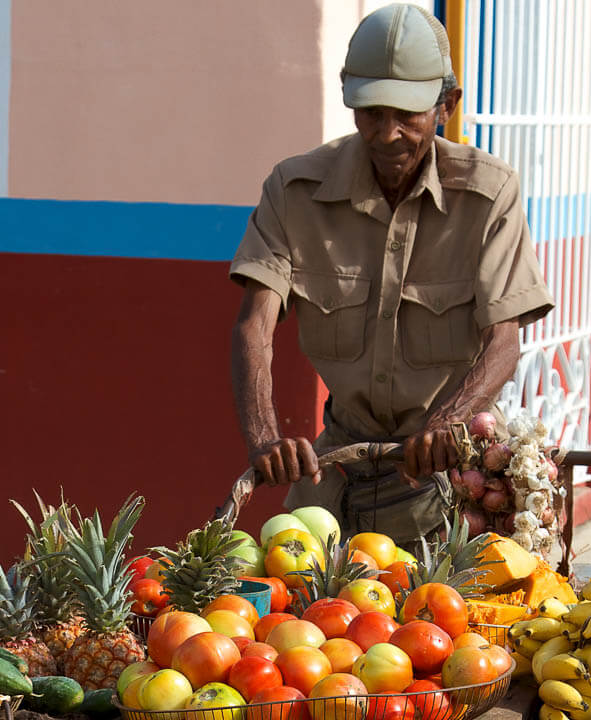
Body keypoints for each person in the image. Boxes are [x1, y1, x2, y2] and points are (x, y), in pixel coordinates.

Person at [229, 3, 553, 546]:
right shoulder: (294, 191)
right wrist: (264, 439)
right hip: (332, 482)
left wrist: (449, 420)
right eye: (372, 112)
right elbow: (254, 327)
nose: (387, 134)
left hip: (451, 487)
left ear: (446, 105)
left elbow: (504, 340)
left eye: (408, 114)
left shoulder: (490, 194)